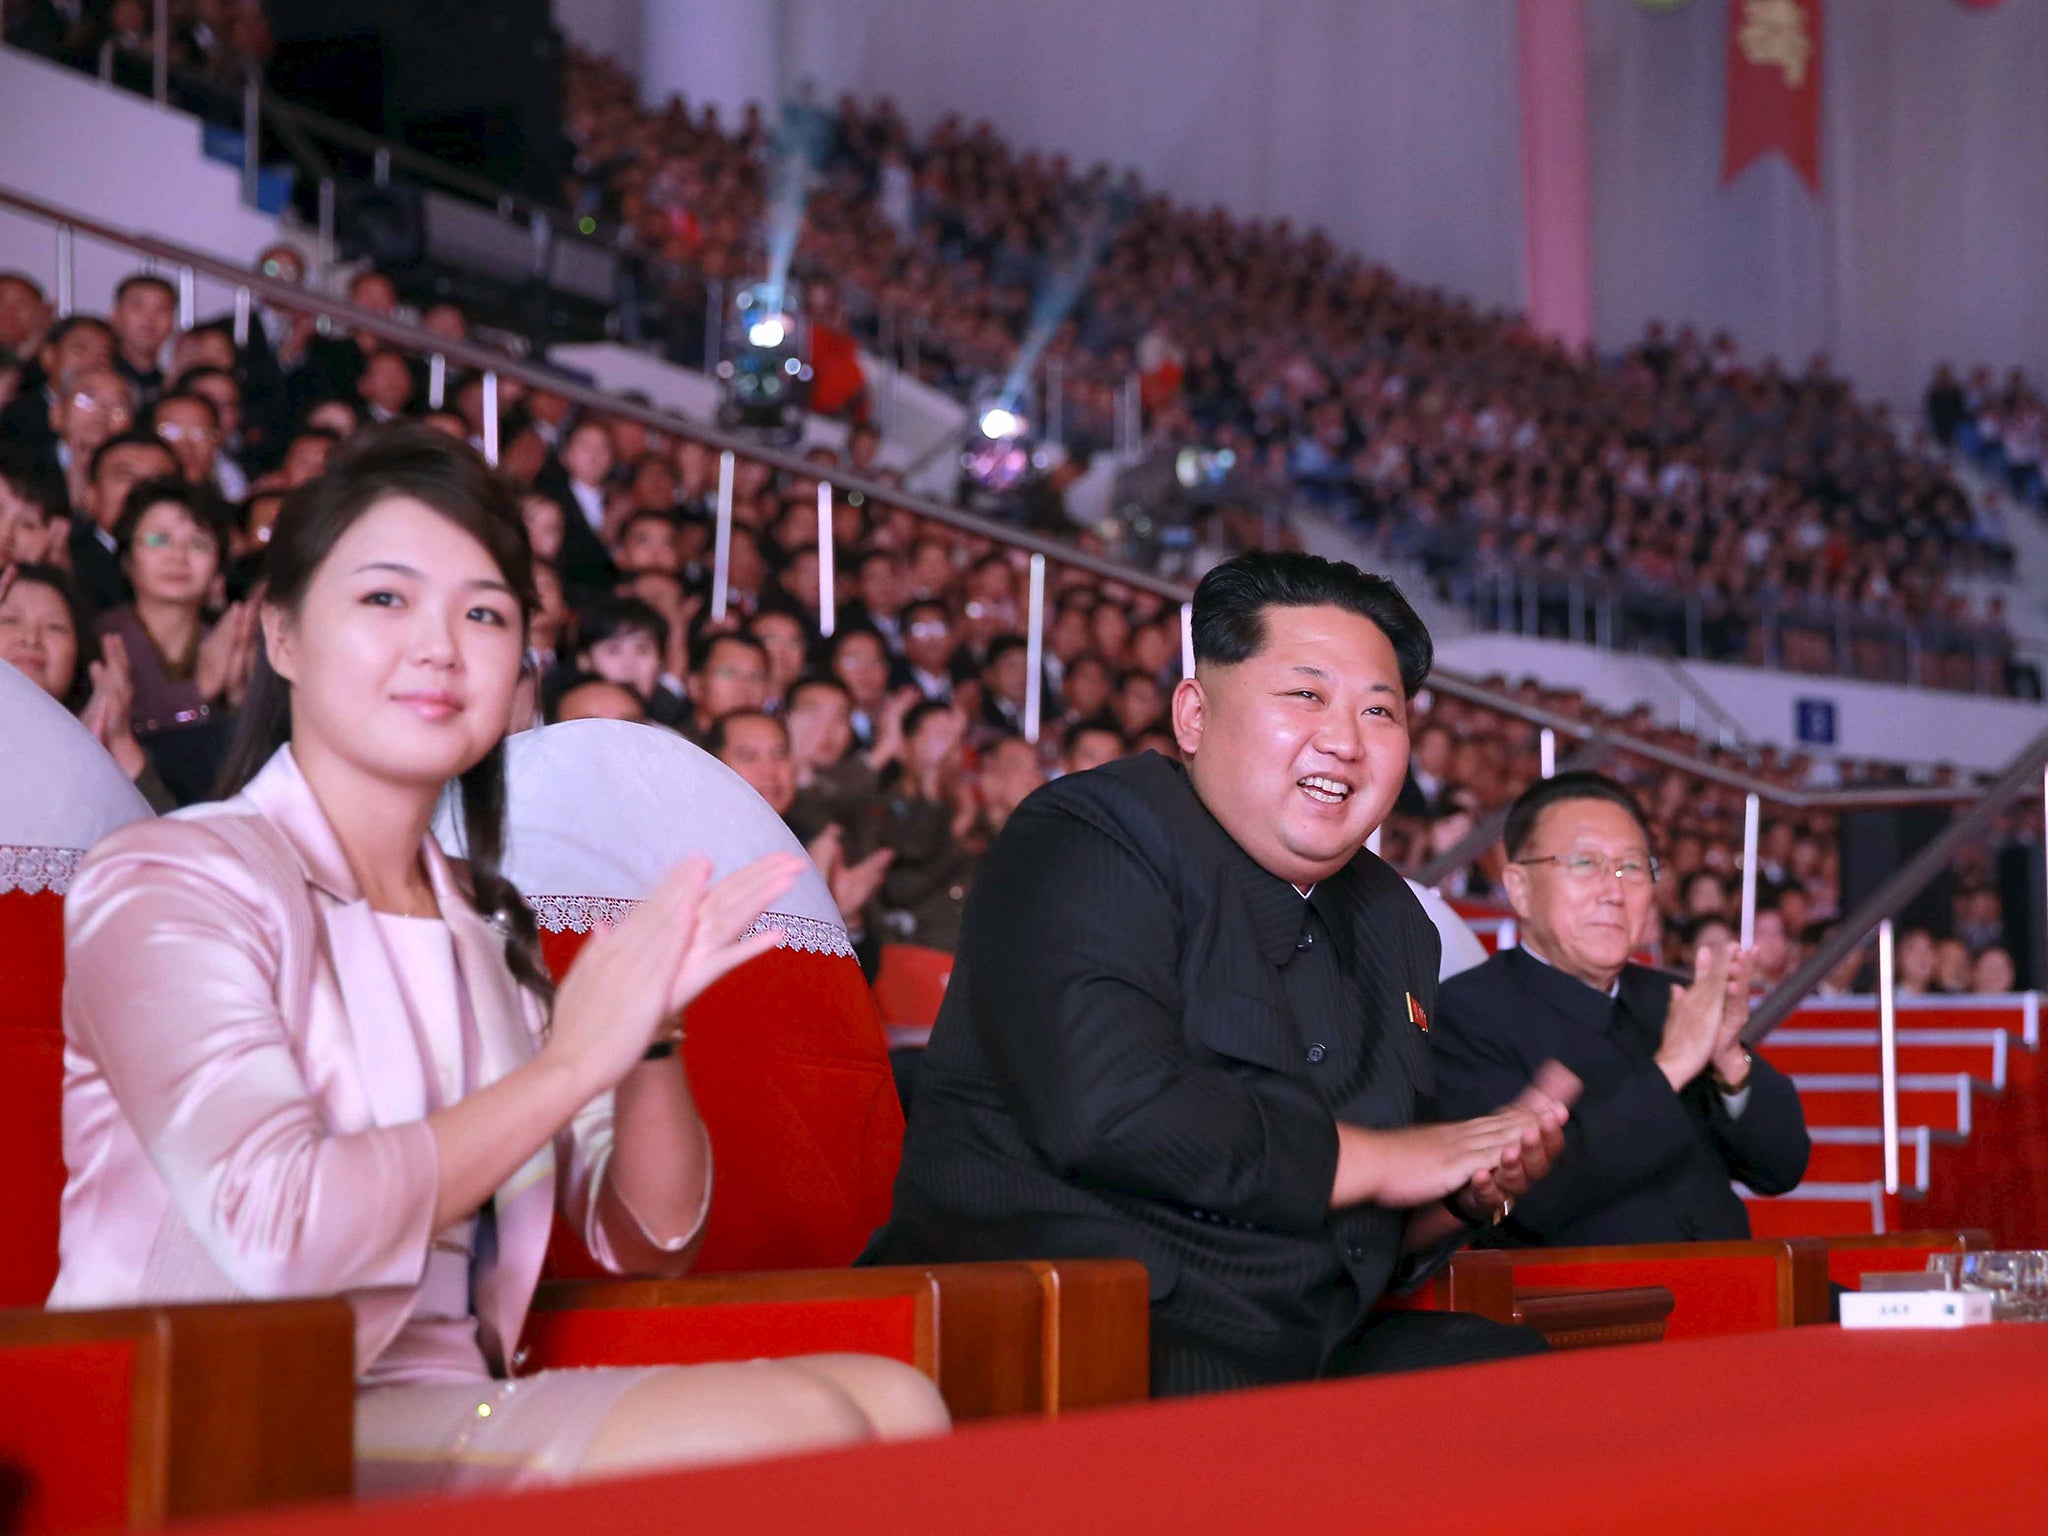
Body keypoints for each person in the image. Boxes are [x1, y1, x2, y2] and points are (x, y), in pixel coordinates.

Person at [49, 424, 947, 1495]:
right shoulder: (168, 878)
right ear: (280, 634)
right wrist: (567, 1067)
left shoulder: (484, 924)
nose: (439, 645)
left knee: (902, 1399)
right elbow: (278, 1233)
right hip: (204, 1401)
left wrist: (651, 1035)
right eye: (386, 599)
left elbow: (646, 1236)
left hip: (434, 1398)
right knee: (794, 1422)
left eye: (482, 612)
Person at [864, 551, 1575, 1396]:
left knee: (1531, 1396)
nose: (1345, 739)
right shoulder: (1091, 833)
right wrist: (1393, 1161)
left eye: (1379, 710)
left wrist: (1461, 1188)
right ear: (1195, 715)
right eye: (1306, 694)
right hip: (1077, 1348)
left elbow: (1360, 1227)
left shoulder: (1394, 919)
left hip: (1300, 1350)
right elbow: (1116, 1110)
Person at [1432, 773, 1809, 1247]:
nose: (1614, 891)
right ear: (1520, 887)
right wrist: (1671, 1066)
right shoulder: (1466, 1014)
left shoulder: (1669, 999)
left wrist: (1730, 1057)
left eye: (1631, 867)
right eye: (1585, 863)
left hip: (1741, 1286)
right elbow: (1528, 1205)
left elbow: (1782, 1168)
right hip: (1591, 1311)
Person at [98, 479, 253, 804]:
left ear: (218, 570)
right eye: (159, 540)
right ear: (127, 558)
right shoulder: (97, 639)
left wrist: (241, 700)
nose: (178, 556)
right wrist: (199, 691)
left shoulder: (232, 641)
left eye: (198, 544)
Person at [0, 563, 175, 810]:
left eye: (54, 627)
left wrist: (118, 738)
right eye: (9, 620)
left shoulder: (106, 753)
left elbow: (164, 841)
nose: (31, 638)